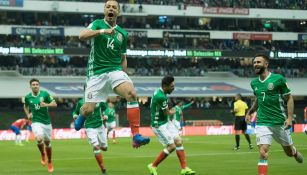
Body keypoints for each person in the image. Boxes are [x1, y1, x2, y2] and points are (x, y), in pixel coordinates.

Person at [75, 0, 150, 148]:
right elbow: (82, 36)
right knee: (89, 110)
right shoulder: (97, 24)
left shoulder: (122, 33)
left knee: (131, 93)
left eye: (114, 7)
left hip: (115, 71)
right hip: (96, 73)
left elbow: (123, 58)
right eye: (108, 7)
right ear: (104, 10)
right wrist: (102, 32)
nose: (111, 9)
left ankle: (136, 136)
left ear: (118, 12)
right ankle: (82, 115)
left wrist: (121, 78)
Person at [245, 54, 303, 175]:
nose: (255, 64)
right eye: (254, 62)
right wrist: (250, 112)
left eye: (258, 62)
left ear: (266, 64)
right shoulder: (254, 83)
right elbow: (258, 100)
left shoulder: (278, 79)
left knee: (288, 152)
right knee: (263, 151)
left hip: (279, 122)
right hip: (262, 122)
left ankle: (294, 151)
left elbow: (289, 98)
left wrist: (290, 118)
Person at [147, 76, 195, 175]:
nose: (174, 88)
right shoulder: (162, 97)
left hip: (165, 122)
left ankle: (184, 168)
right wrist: (175, 109)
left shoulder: (159, 92)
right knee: (172, 146)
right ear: (165, 86)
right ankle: (153, 166)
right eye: (172, 86)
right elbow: (167, 113)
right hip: (158, 124)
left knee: (178, 141)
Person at [23, 78, 57, 173]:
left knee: (47, 143)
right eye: (33, 84)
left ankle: (49, 161)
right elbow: (25, 106)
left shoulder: (45, 94)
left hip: (47, 123)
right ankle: (43, 154)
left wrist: (46, 104)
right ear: (30, 86)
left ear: (39, 85)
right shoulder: (27, 97)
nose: (35, 86)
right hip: (36, 122)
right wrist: (28, 114)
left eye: (37, 84)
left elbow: (54, 104)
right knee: (38, 138)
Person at [73, 97, 108, 175]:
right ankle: (103, 168)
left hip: (100, 126)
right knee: (96, 146)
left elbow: (106, 108)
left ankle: (97, 149)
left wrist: (106, 115)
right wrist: (75, 116)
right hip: (89, 127)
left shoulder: (99, 99)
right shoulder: (81, 102)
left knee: (105, 148)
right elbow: (75, 112)